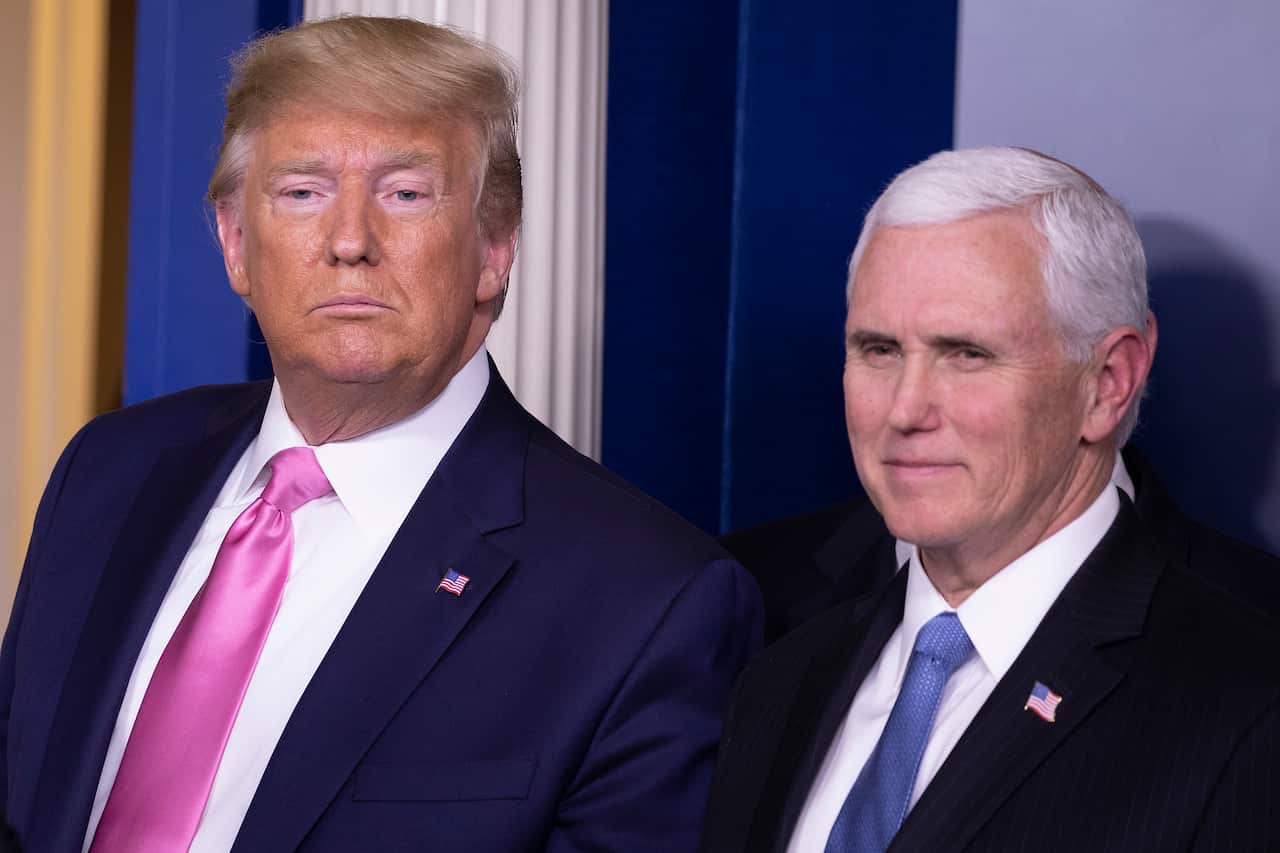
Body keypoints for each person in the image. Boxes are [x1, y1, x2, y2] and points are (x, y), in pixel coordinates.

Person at [0, 17, 762, 853]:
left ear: (494, 247)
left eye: (404, 192)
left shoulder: (649, 601)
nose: (350, 241)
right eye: (302, 192)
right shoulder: (108, 472)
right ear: (234, 241)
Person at [701, 147, 1280, 852]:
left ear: (1108, 383)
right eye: (879, 349)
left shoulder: (1248, 700)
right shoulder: (774, 669)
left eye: (966, 353)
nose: (906, 409)